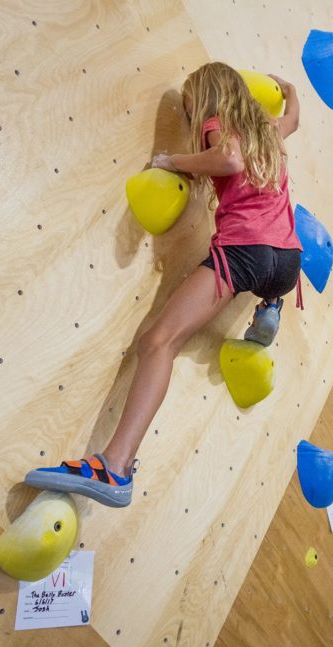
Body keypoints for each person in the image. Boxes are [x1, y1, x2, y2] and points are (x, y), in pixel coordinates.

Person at [25, 63, 303, 507]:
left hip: (244, 251)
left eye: (192, 108)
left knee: (157, 343)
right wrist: (289, 90)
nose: (194, 120)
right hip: (288, 263)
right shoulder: (268, 131)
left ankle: (114, 467)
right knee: (260, 280)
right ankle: (270, 307)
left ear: (209, 99)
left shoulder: (219, 125)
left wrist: (172, 161)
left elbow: (228, 158)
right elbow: (293, 118)